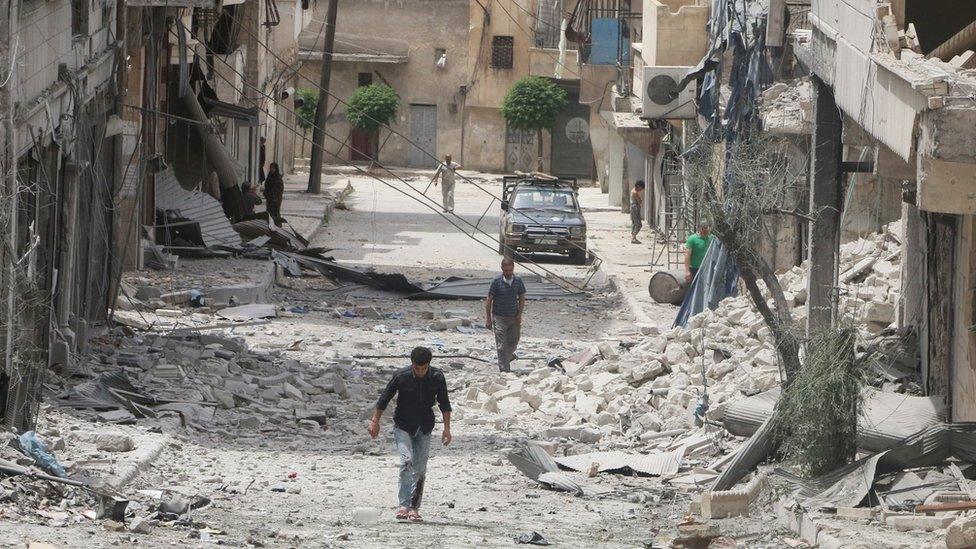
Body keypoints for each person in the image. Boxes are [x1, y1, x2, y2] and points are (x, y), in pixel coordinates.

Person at [368, 346, 452, 522]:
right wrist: (375, 421)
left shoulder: (437, 377)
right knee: (406, 461)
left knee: (420, 469)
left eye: (424, 368)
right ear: (412, 364)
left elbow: (444, 403)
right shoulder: (401, 376)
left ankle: (414, 508)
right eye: (417, 368)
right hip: (403, 425)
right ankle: (403, 505)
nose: (420, 372)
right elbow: (384, 398)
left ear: (429, 365)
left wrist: (447, 429)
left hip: (425, 426)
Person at [485, 258, 526, 373]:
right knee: (501, 345)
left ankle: (507, 357)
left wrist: (519, 314)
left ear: (513, 269)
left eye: (510, 270)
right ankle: (505, 371)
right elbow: (489, 300)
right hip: (499, 317)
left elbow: (522, 297)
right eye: (506, 270)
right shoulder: (496, 281)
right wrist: (488, 319)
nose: (508, 273)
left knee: (513, 342)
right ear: (502, 268)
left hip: (514, 317)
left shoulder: (518, 281)